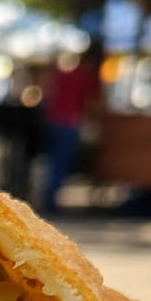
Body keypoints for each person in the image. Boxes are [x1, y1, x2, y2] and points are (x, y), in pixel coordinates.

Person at [41, 48, 101, 216]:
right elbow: (92, 104)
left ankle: (48, 197)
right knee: (60, 163)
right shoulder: (86, 77)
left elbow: (48, 94)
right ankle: (50, 200)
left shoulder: (63, 74)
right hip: (69, 123)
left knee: (52, 162)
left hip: (52, 121)